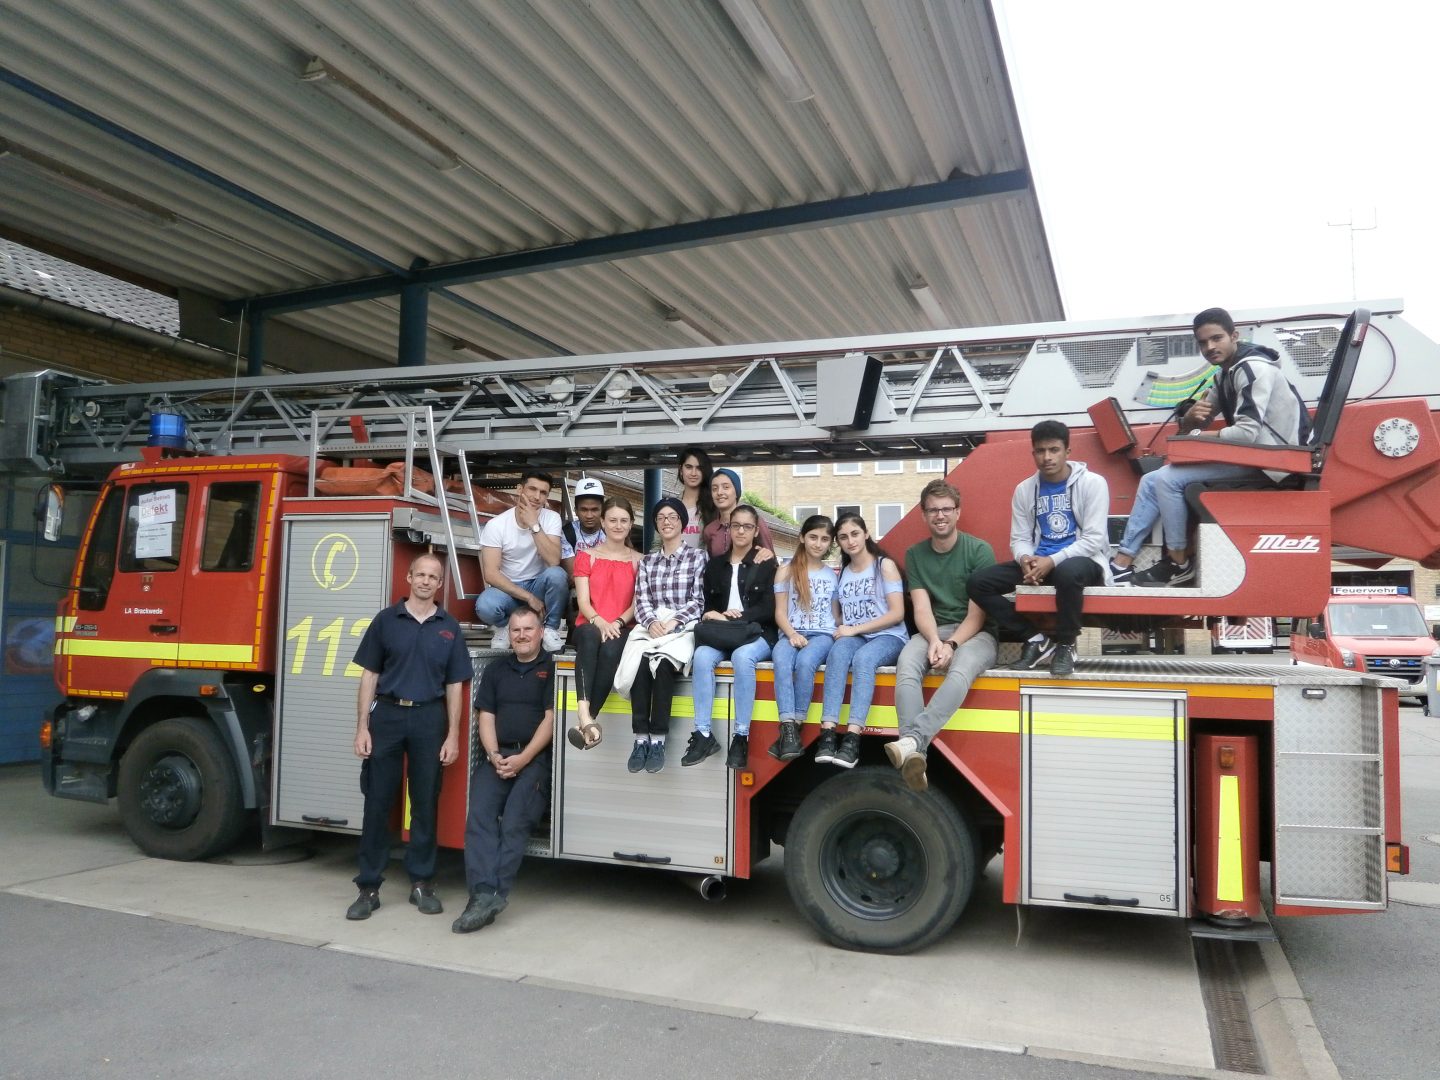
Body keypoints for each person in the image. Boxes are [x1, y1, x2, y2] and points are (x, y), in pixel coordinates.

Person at [1111, 306, 1312, 587]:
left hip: (1276, 464)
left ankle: (1178, 563)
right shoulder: (1223, 375)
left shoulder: (1253, 369)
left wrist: (1197, 437)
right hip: (1254, 457)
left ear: (1234, 336)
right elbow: (1196, 425)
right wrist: (1190, 420)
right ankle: (1120, 564)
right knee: (1150, 480)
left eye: (1217, 338)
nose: (1210, 347)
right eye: (1203, 342)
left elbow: (1246, 434)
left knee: (1168, 479)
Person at [346, 553, 472, 921]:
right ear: (409, 577)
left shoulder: (449, 627)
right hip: (386, 716)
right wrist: (362, 727)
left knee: (424, 804)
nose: (426, 581)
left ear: (440, 584)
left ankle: (422, 883)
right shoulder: (386, 621)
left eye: (433, 577)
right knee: (377, 802)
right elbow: (369, 676)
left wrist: (452, 735)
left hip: (429, 718)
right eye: (421, 575)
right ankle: (368, 887)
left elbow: (454, 685)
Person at [968, 421, 1111, 678]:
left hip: (1083, 561)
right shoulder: (1025, 490)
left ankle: (1066, 645)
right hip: (1040, 563)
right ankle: (1036, 640)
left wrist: (1052, 561)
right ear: (1033, 453)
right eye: (1041, 451)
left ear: (1067, 451)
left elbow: (1094, 539)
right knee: (978, 583)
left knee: (1067, 572)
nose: (1047, 457)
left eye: (1054, 450)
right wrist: (1025, 559)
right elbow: (1019, 538)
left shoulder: (1093, 483)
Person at [886, 480, 997, 792]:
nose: (940, 515)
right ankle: (915, 756)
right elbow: (921, 608)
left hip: (977, 634)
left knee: (960, 669)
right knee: (907, 663)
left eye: (946, 509)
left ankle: (913, 741)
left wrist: (951, 644)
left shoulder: (979, 551)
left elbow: (977, 615)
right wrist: (934, 640)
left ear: (958, 512)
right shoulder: (916, 554)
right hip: (934, 629)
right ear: (924, 515)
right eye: (933, 510)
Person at [452, 606, 555, 934]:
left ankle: (496, 893)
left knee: (514, 821)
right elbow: (486, 716)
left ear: (541, 632)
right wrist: (494, 754)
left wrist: (524, 758)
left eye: (528, 629)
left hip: (534, 761)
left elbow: (551, 719)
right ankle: (481, 894)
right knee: (479, 816)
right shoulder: (497, 670)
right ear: (508, 635)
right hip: (498, 757)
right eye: (516, 630)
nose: (522, 635)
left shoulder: (552, 668)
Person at [614, 497, 706, 773]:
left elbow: (698, 600)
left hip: (682, 626)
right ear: (655, 524)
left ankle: (658, 740)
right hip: (652, 625)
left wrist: (675, 620)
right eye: (661, 518)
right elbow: (641, 599)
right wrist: (652, 621)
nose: (667, 522)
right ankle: (640, 737)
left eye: (672, 517)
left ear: (682, 523)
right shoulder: (648, 562)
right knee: (641, 664)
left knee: (663, 665)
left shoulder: (697, 557)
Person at [687, 504, 780, 769]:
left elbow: (768, 609)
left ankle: (741, 736)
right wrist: (717, 616)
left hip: (757, 633)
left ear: (755, 531)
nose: (741, 531)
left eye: (747, 526)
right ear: (728, 529)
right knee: (701, 656)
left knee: (742, 657)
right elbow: (708, 607)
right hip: (722, 635)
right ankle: (703, 734)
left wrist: (733, 618)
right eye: (736, 525)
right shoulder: (715, 565)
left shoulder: (766, 563)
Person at [813, 513, 908, 769]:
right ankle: (828, 733)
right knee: (838, 652)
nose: (850, 541)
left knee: (863, 659)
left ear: (866, 534)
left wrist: (854, 629)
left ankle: (853, 738)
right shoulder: (843, 572)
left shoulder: (883, 566)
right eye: (843, 537)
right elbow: (839, 614)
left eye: (855, 534)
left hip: (889, 636)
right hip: (857, 636)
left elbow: (897, 613)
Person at [565, 496, 641, 751]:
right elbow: (583, 602)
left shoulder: (640, 560)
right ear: (603, 522)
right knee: (589, 636)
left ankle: (586, 722)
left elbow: (637, 603)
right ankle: (585, 713)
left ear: (631, 524)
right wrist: (601, 622)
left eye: (623, 521)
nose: (618, 525)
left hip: (622, 626)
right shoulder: (586, 557)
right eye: (613, 520)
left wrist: (616, 622)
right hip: (590, 623)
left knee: (610, 650)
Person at [474, 470, 568, 653]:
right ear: (519, 489)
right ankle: (505, 627)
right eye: (532, 489)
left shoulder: (551, 518)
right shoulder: (497, 525)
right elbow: (491, 574)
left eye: (543, 492)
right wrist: (528, 598)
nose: (537, 496)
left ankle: (549, 629)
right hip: (508, 590)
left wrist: (534, 525)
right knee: (485, 606)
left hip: (538, 585)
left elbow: (553, 561)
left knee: (557, 575)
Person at [769, 515, 839, 761]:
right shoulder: (786, 570)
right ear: (802, 537)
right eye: (813, 537)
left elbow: (834, 614)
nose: (818, 544)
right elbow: (780, 612)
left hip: (822, 634)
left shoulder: (832, 575)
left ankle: (796, 725)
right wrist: (792, 634)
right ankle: (788, 727)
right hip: (791, 631)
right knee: (781, 659)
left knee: (806, 662)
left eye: (824, 539)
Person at [701, 468, 775, 557]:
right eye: (714, 489)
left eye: (726, 487)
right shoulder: (710, 530)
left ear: (736, 492)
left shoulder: (754, 521)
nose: (719, 492)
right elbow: (711, 562)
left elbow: (771, 558)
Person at [560, 476, 607, 574]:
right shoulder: (567, 533)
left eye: (594, 509)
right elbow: (574, 574)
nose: (589, 516)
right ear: (576, 511)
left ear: (602, 510)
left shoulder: (611, 531)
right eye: (584, 510)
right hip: (579, 581)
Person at [675, 447, 716, 549]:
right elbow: (657, 545)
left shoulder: (715, 505)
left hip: (704, 559)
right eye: (688, 467)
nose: (693, 473)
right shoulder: (670, 506)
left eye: (699, 468)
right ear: (681, 469)